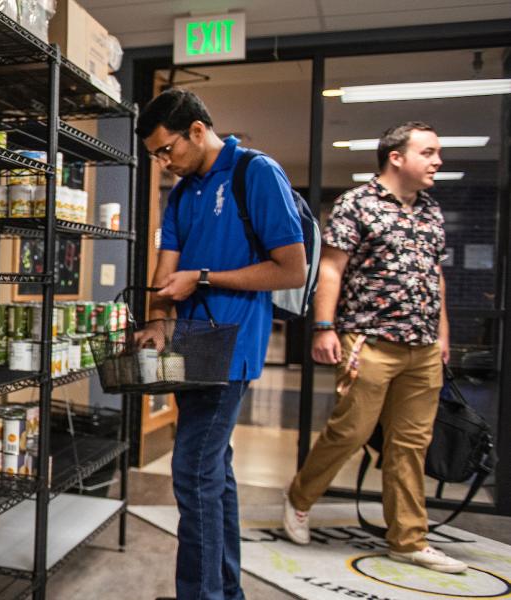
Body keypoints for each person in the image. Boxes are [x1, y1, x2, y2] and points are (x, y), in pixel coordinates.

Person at [134, 88, 306, 600]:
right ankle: (225, 591)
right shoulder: (183, 194)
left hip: (229, 349)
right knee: (214, 473)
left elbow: (290, 269)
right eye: (155, 157)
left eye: (168, 150)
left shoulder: (256, 173)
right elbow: (167, 273)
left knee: (192, 472)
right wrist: (156, 323)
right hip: (188, 349)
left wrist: (203, 278)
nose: (164, 164)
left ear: (197, 131)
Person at [281, 122, 464, 574]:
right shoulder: (356, 204)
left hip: (421, 348)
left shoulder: (431, 211)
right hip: (369, 341)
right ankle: (299, 498)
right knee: (352, 431)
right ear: (396, 157)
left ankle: (407, 539)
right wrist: (324, 328)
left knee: (411, 444)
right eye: (429, 152)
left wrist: (442, 332)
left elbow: (433, 276)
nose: (437, 161)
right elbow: (330, 271)